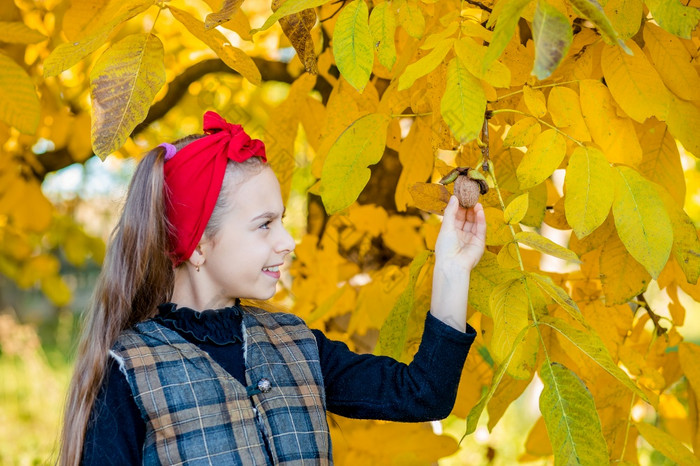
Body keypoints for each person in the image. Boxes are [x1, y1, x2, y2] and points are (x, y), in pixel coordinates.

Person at [59, 111, 486, 465]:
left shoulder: (297, 345)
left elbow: (423, 394)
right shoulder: (129, 369)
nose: (287, 241)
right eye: (264, 224)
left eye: (281, 219)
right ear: (200, 246)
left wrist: (452, 268)